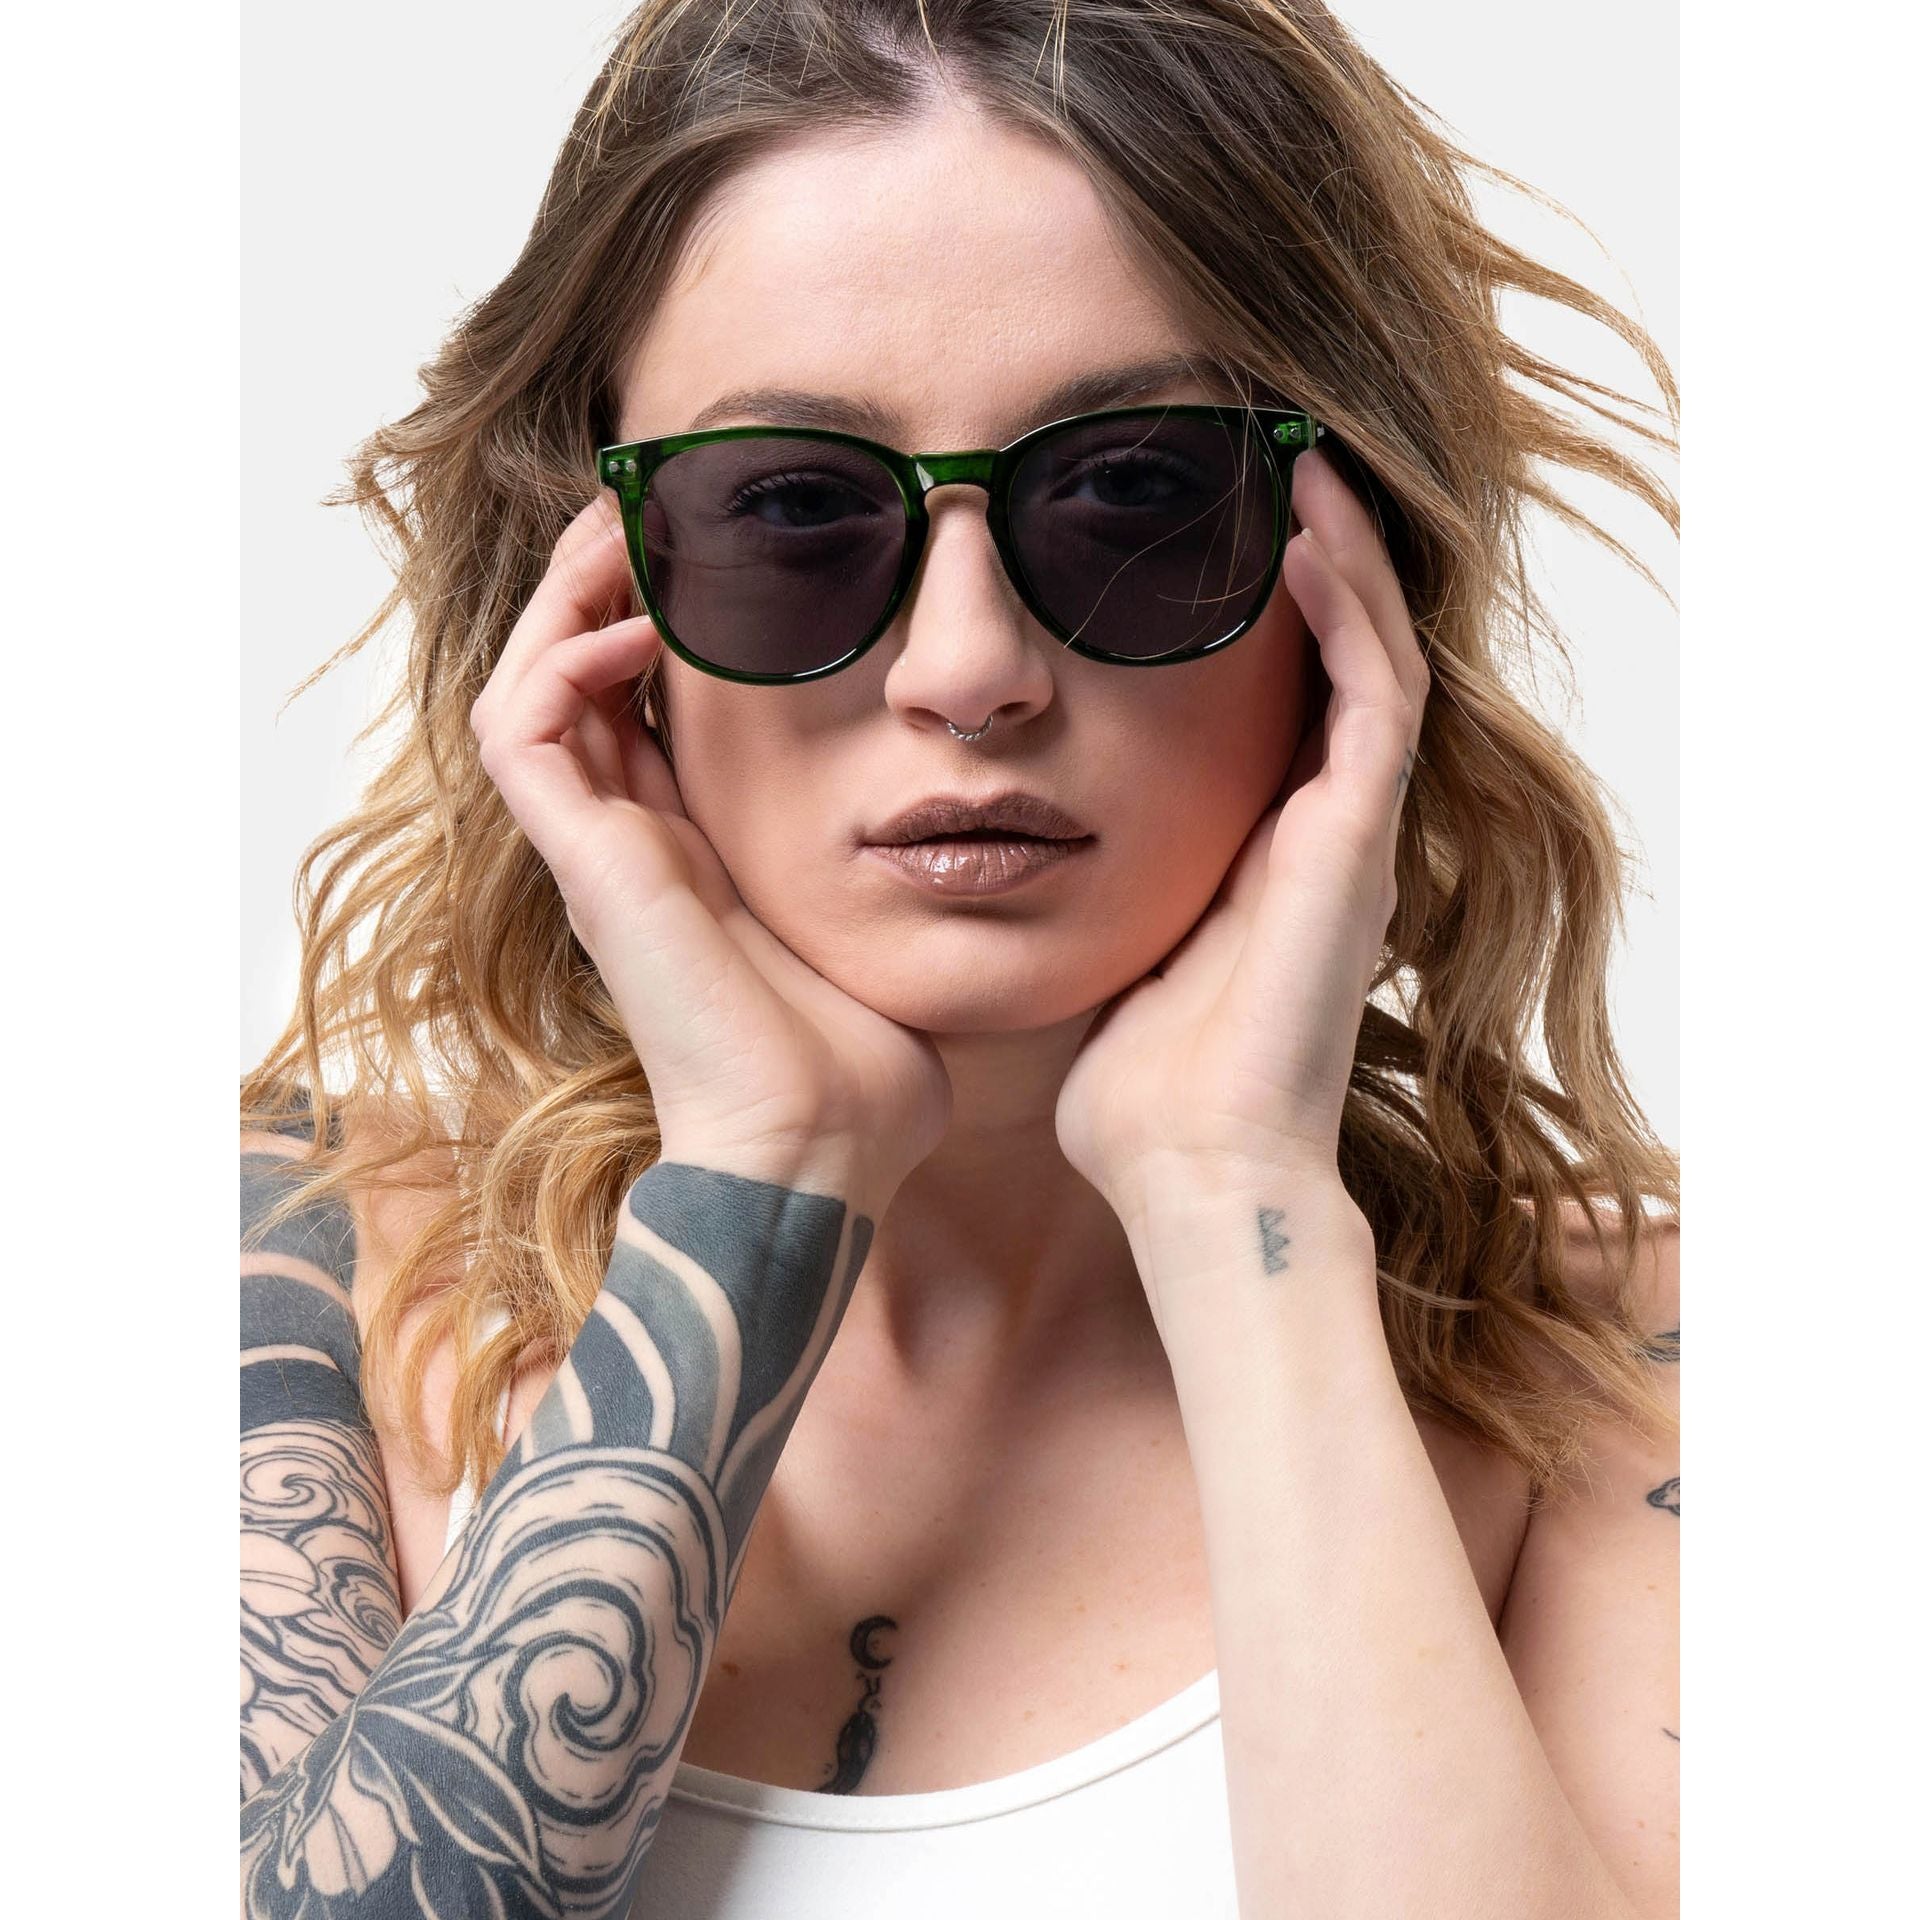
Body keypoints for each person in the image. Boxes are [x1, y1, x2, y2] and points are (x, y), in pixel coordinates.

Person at [239, 3, 1680, 1915]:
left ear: (1360, 581)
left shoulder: (1647, 1366)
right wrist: (759, 1178)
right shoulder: (290, 1265)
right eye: (791, 505)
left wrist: (1235, 1198)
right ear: (588, 591)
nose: (969, 669)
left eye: (1136, 491)